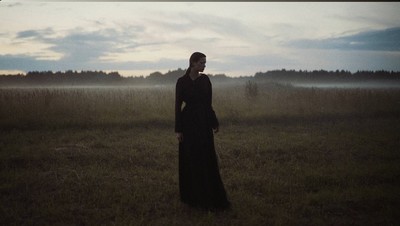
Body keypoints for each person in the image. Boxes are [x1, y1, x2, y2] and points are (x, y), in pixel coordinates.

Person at [175, 52, 230, 210]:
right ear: (193, 63)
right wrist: (178, 130)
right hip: (188, 123)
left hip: (204, 122)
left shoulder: (205, 80)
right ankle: (192, 195)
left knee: (206, 156)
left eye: (205, 63)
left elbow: (208, 103)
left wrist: (214, 121)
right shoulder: (181, 82)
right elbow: (177, 107)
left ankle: (208, 193)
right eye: (202, 63)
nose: (204, 66)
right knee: (190, 157)